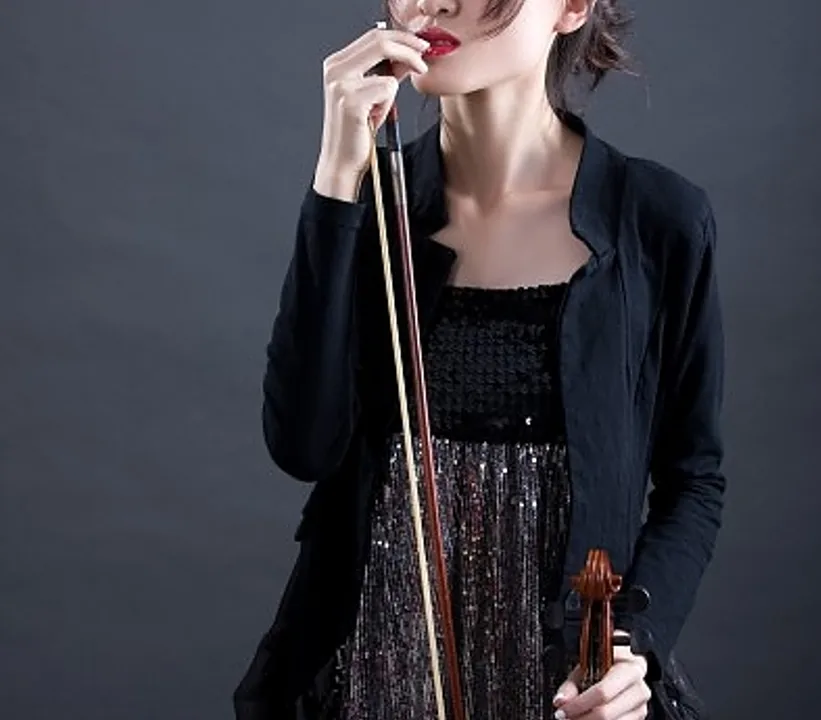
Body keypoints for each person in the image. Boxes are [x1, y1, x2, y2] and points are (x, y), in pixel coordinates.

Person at [234, 0, 726, 717]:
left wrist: (633, 647)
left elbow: (694, 481)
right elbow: (302, 446)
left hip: (568, 687)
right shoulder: (366, 205)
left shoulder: (659, 219)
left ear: (573, 7)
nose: (431, 2)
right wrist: (337, 174)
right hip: (380, 678)